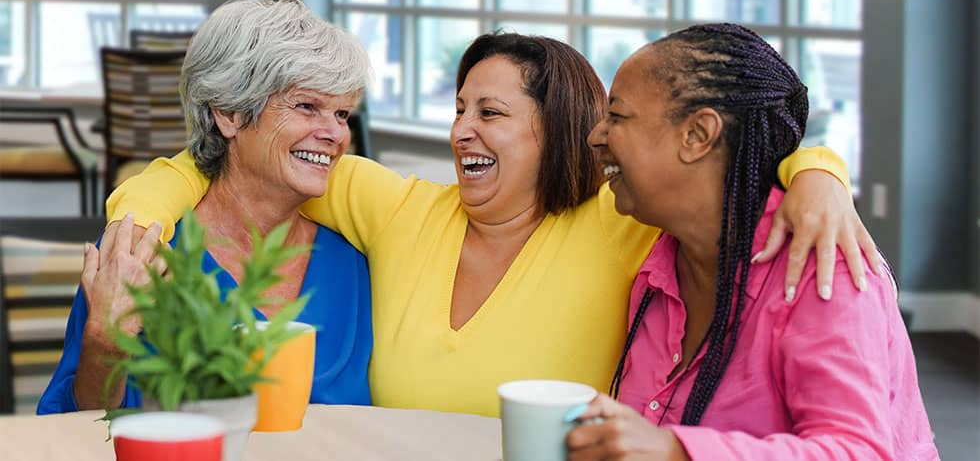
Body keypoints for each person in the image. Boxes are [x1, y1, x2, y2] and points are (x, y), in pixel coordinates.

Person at [103, 32, 880, 417]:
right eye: (458, 110)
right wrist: (138, 218)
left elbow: (729, 164)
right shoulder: (397, 207)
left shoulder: (622, 223)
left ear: (559, 126)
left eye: (491, 113)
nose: (461, 132)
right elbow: (232, 160)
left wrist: (818, 171)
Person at [566, 23, 938, 459]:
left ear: (698, 135)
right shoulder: (657, 266)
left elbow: (858, 451)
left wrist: (675, 450)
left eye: (617, 116)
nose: (596, 135)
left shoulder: (822, 268)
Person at [37, 0, 373, 413]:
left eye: (341, 114)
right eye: (307, 106)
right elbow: (78, 422)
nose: (335, 134)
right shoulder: (141, 249)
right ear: (229, 114)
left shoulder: (353, 262)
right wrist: (106, 337)